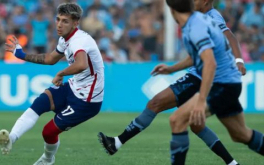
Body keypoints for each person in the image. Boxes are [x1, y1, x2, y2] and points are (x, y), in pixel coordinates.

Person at [98, 0, 246, 164]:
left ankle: (117, 142)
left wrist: (239, 60)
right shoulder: (199, 17)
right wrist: (172, 69)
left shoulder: (212, 17)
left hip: (199, 78)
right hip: (200, 75)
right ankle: (232, 163)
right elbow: (197, 56)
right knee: (196, 125)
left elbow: (229, 36)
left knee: (156, 103)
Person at [163, 0, 264, 164]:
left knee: (177, 120)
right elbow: (197, 56)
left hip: (222, 84)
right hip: (229, 82)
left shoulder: (197, 24)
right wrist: (172, 69)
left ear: (172, 10)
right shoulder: (195, 22)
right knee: (240, 134)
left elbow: (210, 62)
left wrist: (201, 101)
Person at [0, 3, 104, 165]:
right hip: (74, 87)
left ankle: (47, 160)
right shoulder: (65, 39)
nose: (59, 24)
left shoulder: (79, 41)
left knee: (48, 132)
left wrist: (61, 73)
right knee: (39, 103)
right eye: (58, 19)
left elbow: (81, 64)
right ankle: (12, 138)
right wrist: (21, 54)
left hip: (87, 100)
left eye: (65, 21)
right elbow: (50, 59)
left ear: (76, 23)